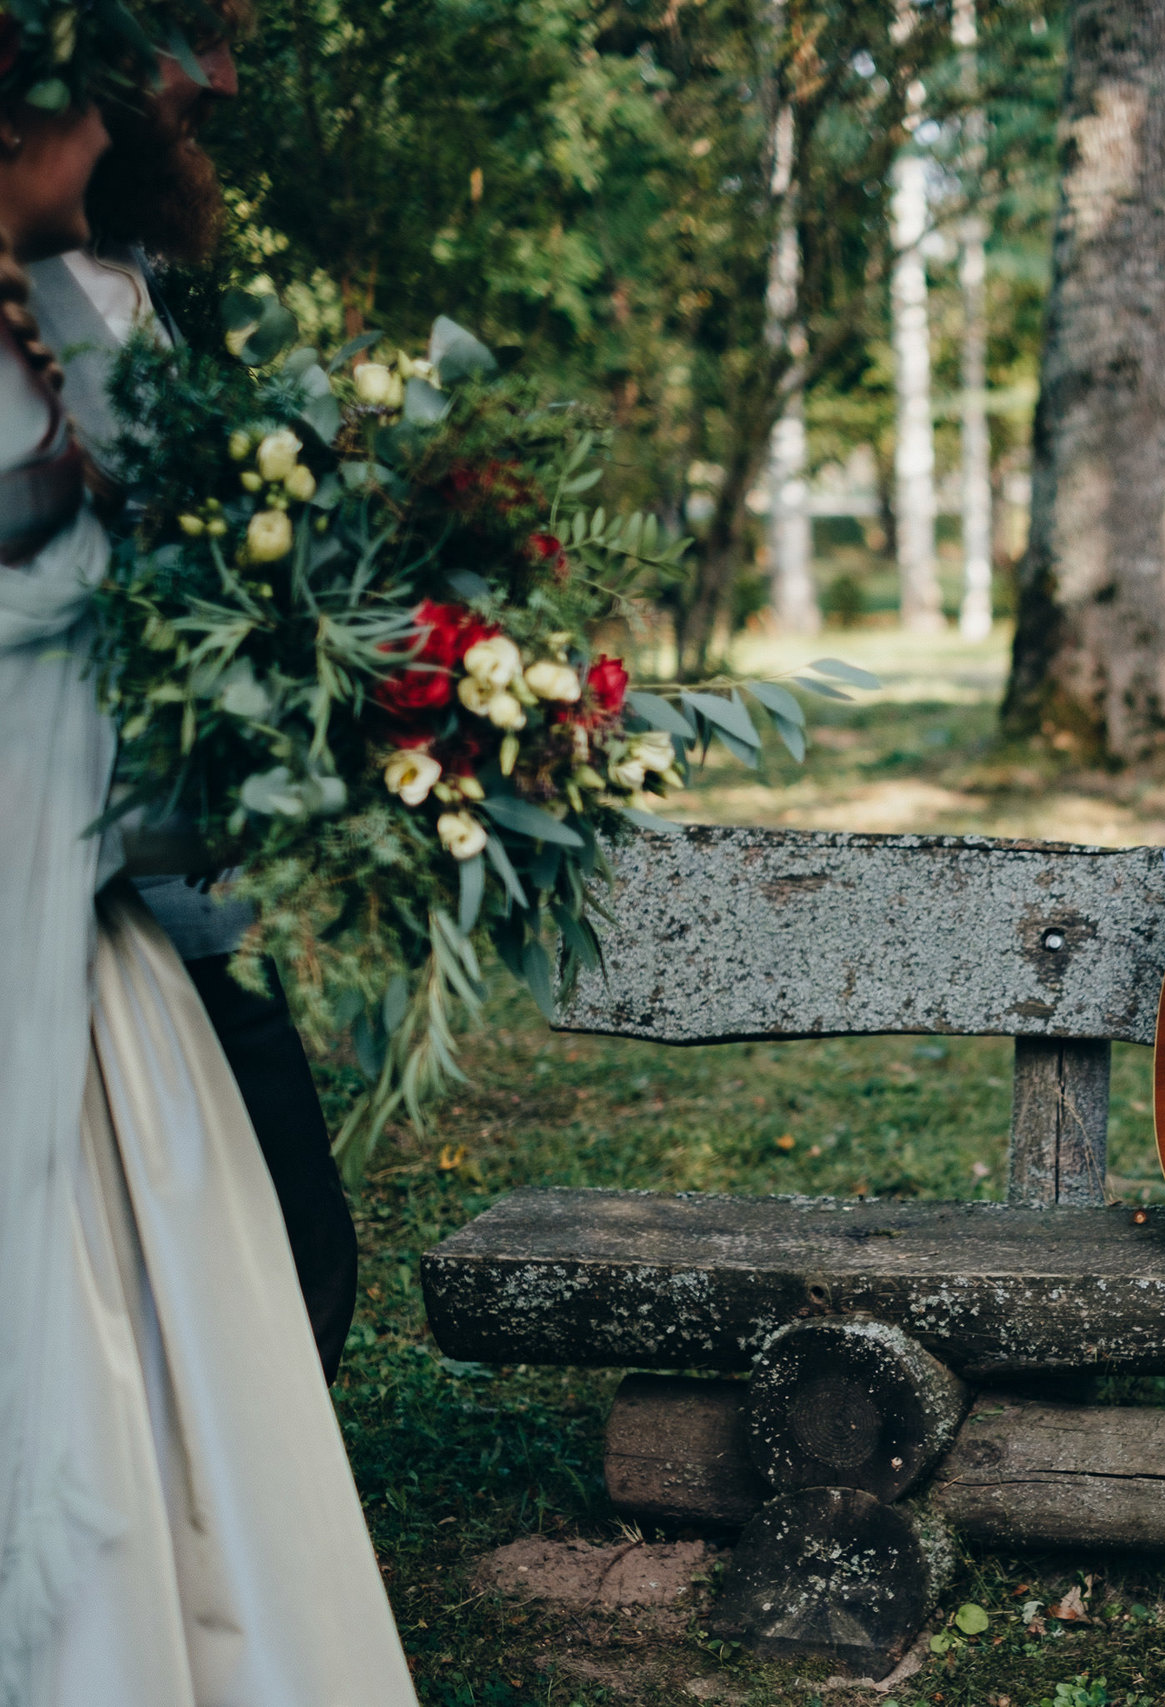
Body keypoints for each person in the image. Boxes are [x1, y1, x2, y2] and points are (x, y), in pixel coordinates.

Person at [0, 11, 418, 1702]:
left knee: (238, 1314)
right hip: (67, 935)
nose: (141, 126)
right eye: (109, 94)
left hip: (112, 947)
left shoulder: (81, 317)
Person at [23, 13, 362, 1384]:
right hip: (71, 857)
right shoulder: (34, 304)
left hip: (163, 865)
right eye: (190, 40)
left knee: (288, 1233)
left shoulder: (143, 282)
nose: (216, 82)